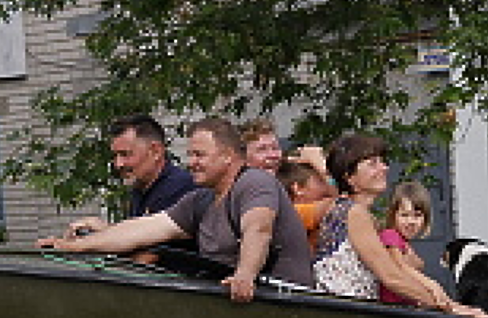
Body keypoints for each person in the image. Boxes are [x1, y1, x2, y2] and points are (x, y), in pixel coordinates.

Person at [39, 117, 313, 301]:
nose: (190, 163)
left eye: (199, 155)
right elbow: (141, 231)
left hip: (285, 300)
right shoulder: (200, 201)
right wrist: (73, 247)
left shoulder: (255, 182)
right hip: (235, 303)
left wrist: (245, 275)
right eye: (190, 155)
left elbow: (258, 228)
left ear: (228, 156)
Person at [312, 134, 466, 313]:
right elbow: (391, 277)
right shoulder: (354, 213)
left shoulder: (349, 211)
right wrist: (451, 308)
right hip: (348, 316)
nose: (384, 168)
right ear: (350, 177)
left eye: (382, 162)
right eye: (373, 163)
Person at [63, 114, 197, 238]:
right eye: (115, 156)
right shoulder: (140, 189)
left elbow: (146, 255)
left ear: (156, 152)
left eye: (125, 154)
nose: (118, 164)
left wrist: (105, 233)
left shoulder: (179, 187)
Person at [378, 180, 433, 307]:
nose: (411, 221)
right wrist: (433, 288)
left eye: (417, 216)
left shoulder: (404, 243)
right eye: (404, 215)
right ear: (393, 215)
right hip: (392, 309)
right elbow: (399, 267)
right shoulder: (390, 236)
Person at [277, 156, 335, 244]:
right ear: (298, 189)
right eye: (320, 180)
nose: (326, 184)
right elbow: (342, 200)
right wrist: (320, 165)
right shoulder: (295, 212)